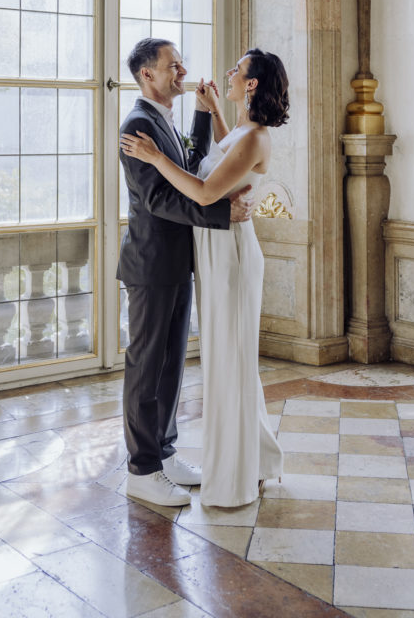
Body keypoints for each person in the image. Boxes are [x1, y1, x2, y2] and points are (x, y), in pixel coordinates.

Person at [121, 47, 288, 507]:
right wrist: (207, 116)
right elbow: (169, 194)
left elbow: (201, 168)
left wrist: (170, 151)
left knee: (192, 363)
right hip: (161, 261)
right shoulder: (140, 126)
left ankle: (167, 453)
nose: (186, 71)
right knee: (151, 366)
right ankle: (143, 467)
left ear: (251, 86)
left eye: (236, 70)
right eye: (174, 65)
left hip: (213, 258)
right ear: (147, 74)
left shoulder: (237, 132)